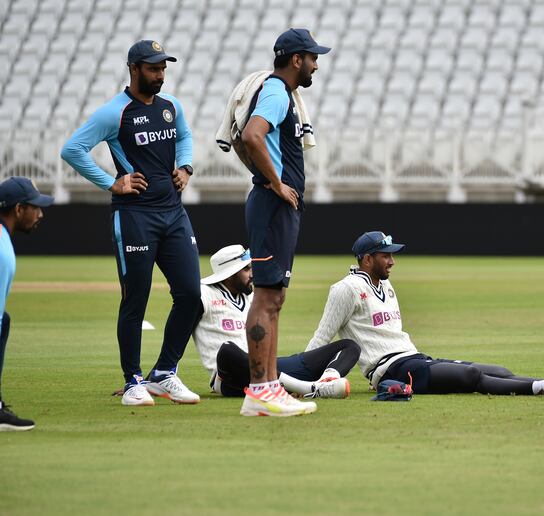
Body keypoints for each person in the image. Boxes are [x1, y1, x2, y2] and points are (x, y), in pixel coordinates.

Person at [305, 231, 544, 397]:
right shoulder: (345, 289)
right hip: (388, 372)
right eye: (385, 255)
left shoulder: (386, 287)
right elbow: (323, 337)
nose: (392, 261)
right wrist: (301, 380)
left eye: (392, 255)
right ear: (365, 259)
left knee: (497, 370)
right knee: (470, 377)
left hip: (414, 359)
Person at [60, 40, 201, 406]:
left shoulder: (172, 107)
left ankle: (164, 373)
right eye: (154, 68)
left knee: (191, 295)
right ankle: (133, 381)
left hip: (174, 214)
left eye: (163, 68)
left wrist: (185, 166)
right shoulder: (114, 113)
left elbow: (184, 136)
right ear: (134, 68)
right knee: (135, 299)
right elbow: (72, 149)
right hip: (135, 216)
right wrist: (113, 182)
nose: (161, 75)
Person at [238, 29, 331, 417]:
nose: (316, 64)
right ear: (296, 59)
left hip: (277, 207)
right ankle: (260, 391)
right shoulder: (276, 91)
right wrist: (276, 184)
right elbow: (251, 136)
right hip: (273, 207)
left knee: (274, 297)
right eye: (312, 57)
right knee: (266, 297)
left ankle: (269, 388)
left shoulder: (284, 94)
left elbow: (250, 141)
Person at [192, 244, 358, 399]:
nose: (252, 274)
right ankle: (308, 388)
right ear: (229, 275)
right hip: (229, 376)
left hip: (270, 368)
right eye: (246, 269)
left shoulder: (251, 296)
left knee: (349, 346)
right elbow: (180, 332)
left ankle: (325, 382)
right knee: (228, 350)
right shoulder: (203, 294)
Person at [0, 177, 53, 431]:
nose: (40, 213)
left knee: (5, 320)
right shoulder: (3, 251)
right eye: (35, 207)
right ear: (19, 209)